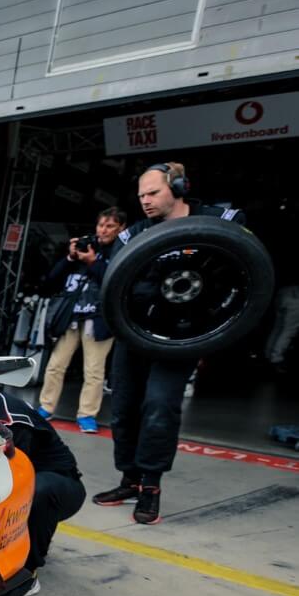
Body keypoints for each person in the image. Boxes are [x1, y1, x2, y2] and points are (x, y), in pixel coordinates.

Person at [92, 162, 250, 525]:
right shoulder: (134, 235)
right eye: (141, 195)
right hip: (135, 334)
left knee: (160, 407)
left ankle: (150, 485)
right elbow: (115, 285)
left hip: (182, 337)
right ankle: (129, 479)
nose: (145, 201)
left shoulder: (216, 221)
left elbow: (246, 260)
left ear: (178, 187)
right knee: (124, 409)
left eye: (153, 193)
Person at [37, 209, 126, 433]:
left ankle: (87, 415)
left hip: (99, 318)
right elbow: (51, 281)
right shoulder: (85, 246)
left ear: (121, 228)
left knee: (94, 371)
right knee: (55, 366)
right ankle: (45, 407)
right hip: (71, 317)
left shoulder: (121, 249)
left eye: (109, 226)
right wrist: (70, 257)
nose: (103, 230)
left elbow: (115, 281)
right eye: (100, 225)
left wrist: (93, 262)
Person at [0, 392, 84, 596]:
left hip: (59, 486)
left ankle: (26, 573)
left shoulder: (10, 423)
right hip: (29, 480)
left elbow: (13, 479)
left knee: (34, 490)